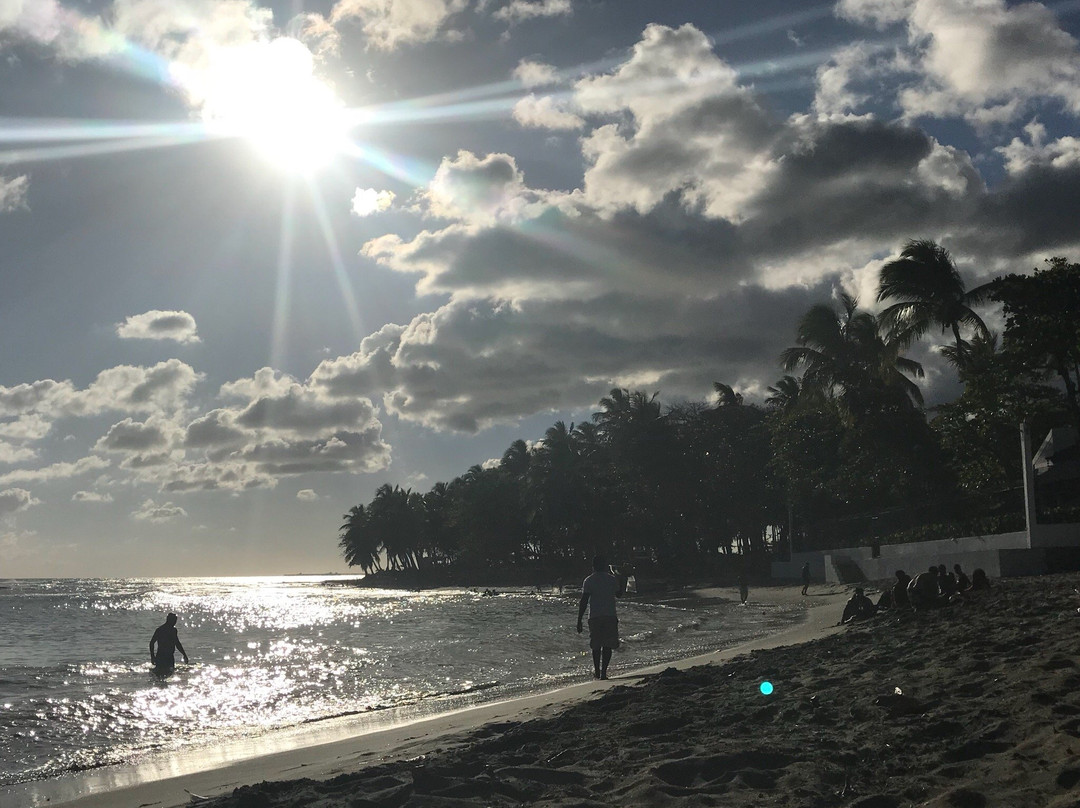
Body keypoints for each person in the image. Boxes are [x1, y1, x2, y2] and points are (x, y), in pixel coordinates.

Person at [577, 555, 628, 680]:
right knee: (607, 645)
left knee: (596, 645)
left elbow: (584, 601)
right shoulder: (611, 579)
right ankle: (604, 672)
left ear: (593, 566)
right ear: (605, 566)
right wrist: (623, 579)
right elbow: (619, 594)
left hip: (595, 616)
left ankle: (597, 672)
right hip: (610, 615)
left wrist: (579, 620)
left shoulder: (588, 580)